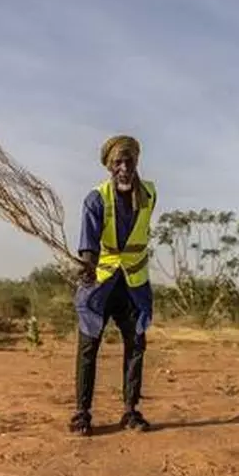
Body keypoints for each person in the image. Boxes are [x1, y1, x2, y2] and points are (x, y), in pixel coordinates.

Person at [69, 134, 157, 436]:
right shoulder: (96, 198)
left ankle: (130, 411)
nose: (124, 167)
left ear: (136, 162)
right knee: (88, 346)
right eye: (117, 162)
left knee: (136, 345)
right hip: (101, 282)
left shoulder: (149, 194)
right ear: (109, 166)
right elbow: (89, 242)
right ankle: (82, 413)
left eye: (128, 160)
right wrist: (88, 266)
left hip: (133, 282)